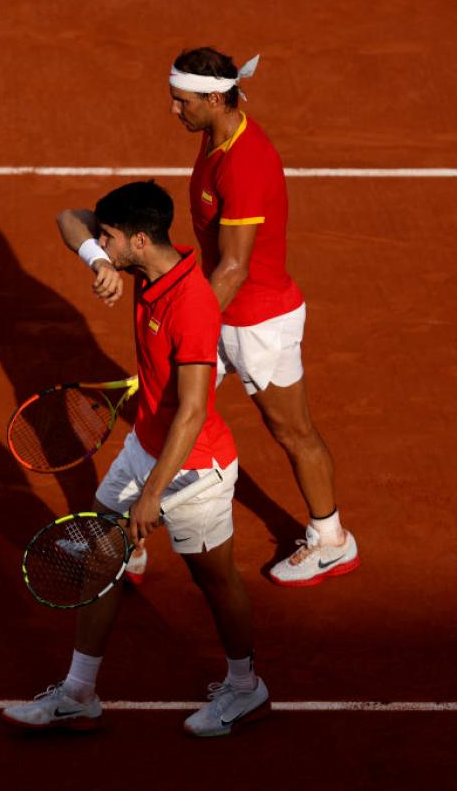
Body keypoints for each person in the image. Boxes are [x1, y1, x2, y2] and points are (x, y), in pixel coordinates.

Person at [1, 181, 268, 736]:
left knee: (214, 581)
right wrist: (98, 260)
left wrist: (152, 496)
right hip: (144, 446)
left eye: (110, 239)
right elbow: (67, 217)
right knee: (102, 558)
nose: (101, 242)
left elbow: (193, 411)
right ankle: (78, 693)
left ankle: (246, 687)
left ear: (140, 240)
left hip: (195, 471)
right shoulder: (145, 268)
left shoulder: (191, 305)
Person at [157, 46, 356, 587]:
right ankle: (130, 531)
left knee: (292, 431)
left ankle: (331, 539)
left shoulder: (244, 161)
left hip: (257, 323)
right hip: (223, 308)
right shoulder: (216, 132)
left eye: (182, 102)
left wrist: (187, 324)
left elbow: (236, 267)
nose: (175, 111)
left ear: (215, 98)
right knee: (168, 405)